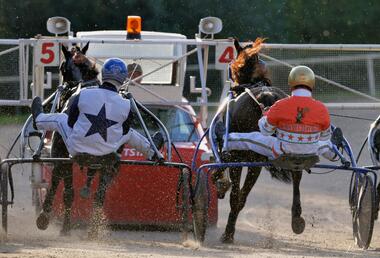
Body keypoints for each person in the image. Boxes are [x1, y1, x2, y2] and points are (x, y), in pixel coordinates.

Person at [31, 57, 163, 161]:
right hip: (108, 152)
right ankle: (152, 152)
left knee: (61, 119)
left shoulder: (83, 93)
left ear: (103, 75)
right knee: (130, 134)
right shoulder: (127, 104)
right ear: (123, 79)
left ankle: (38, 120)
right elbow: (124, 130)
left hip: (76, 149)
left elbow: (71, 122)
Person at [218, 65, 343, 161]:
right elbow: (325, 136)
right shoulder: (321, 108)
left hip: (282, 151)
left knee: (251, 138)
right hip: (311, 153)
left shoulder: (280, 105)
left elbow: (265, 131)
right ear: (312, 85)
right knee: (326, 144)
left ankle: (225, 139)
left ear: (291, 84)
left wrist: (265, 115)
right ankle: (334, 154)